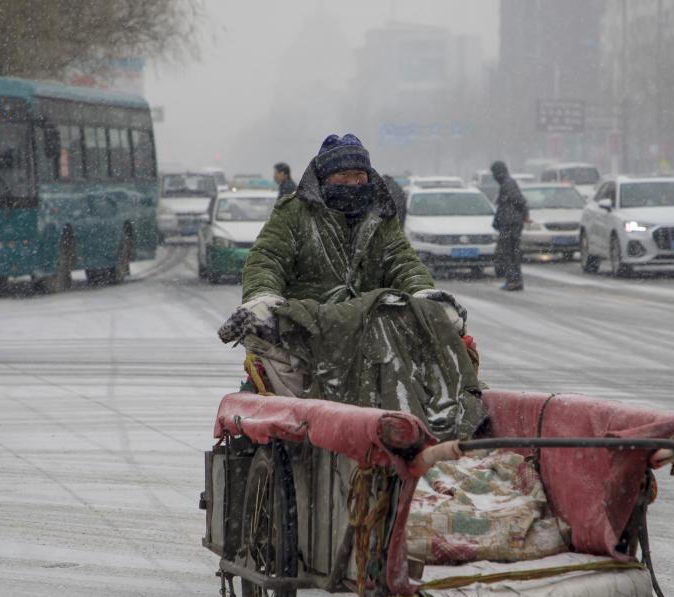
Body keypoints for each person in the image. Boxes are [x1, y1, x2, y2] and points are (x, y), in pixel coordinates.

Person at [219, 134, 484, 442]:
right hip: (312, 330)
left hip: (373, 329)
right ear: (324, 178)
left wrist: (425, 296)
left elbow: (403, 263)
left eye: (359, 176)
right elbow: (267, 261)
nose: (352, 183)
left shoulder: (380, 217)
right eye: (343, 176)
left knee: (441, 354)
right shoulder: (293, 214)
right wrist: (263, 299)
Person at [491, 161, 528, 291]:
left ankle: (513, 280)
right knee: (511, 253)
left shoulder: (508, 184)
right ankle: (514, 280)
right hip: (510, 223)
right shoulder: (507, 183)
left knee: (509, 253)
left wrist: (520, 217)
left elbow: (519, 201)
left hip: (510, 225)